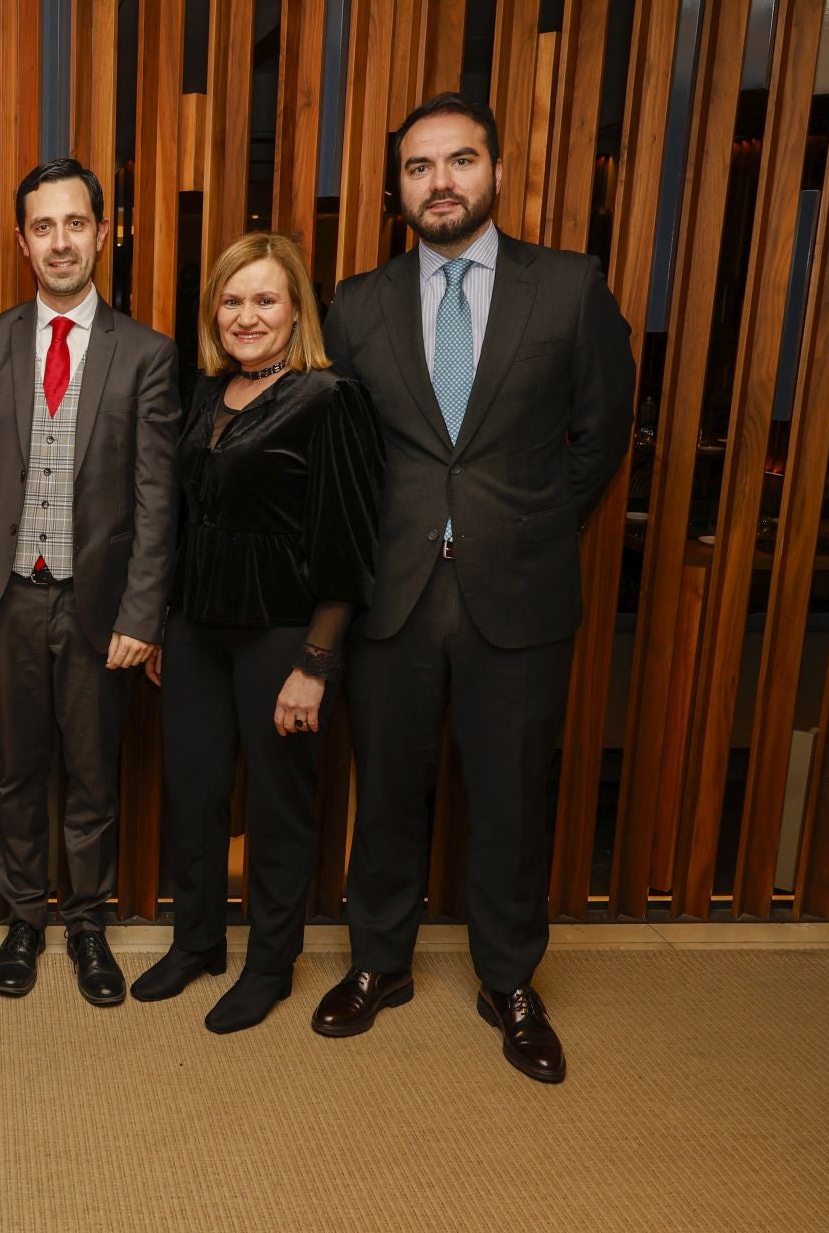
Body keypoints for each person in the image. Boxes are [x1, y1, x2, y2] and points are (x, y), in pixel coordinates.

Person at [312, 93, 634, 1082]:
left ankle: (508, 980)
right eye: (418, 167)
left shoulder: (570, 287)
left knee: (510, 796)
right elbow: (345, 453)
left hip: (521, 588)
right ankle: (378, 962)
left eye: (458, 161)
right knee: (390, 787)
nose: (439, 181)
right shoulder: (358, 304)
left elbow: (603, 431)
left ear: (494, 170)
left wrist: (526, 523)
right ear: (395, 187)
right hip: (394, 592)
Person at [0, 158, 181, 1007]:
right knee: (16, 772)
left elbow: (157, 501)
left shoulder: (147, 354)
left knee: (93, 776)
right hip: (6, 598)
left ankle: (85, 924)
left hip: (98, 605)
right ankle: (24, 920)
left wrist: (143, 613)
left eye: (76, 223)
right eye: (44, 227)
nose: (61, 241)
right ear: (22, 241)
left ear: (103, 234)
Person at [131, 233, 381, 1033]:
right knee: (195, 793)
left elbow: (348, 543)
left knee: (278, 805)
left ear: (296, 308)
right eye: (233, 300)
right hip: (197, 632)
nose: (247, 316)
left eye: (266, 299)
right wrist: (167, 620)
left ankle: (270, 964)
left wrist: (316, 662)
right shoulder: (208, 393)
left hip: (282, 637)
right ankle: (198, 942)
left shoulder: (327, 398)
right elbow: (188, 521)